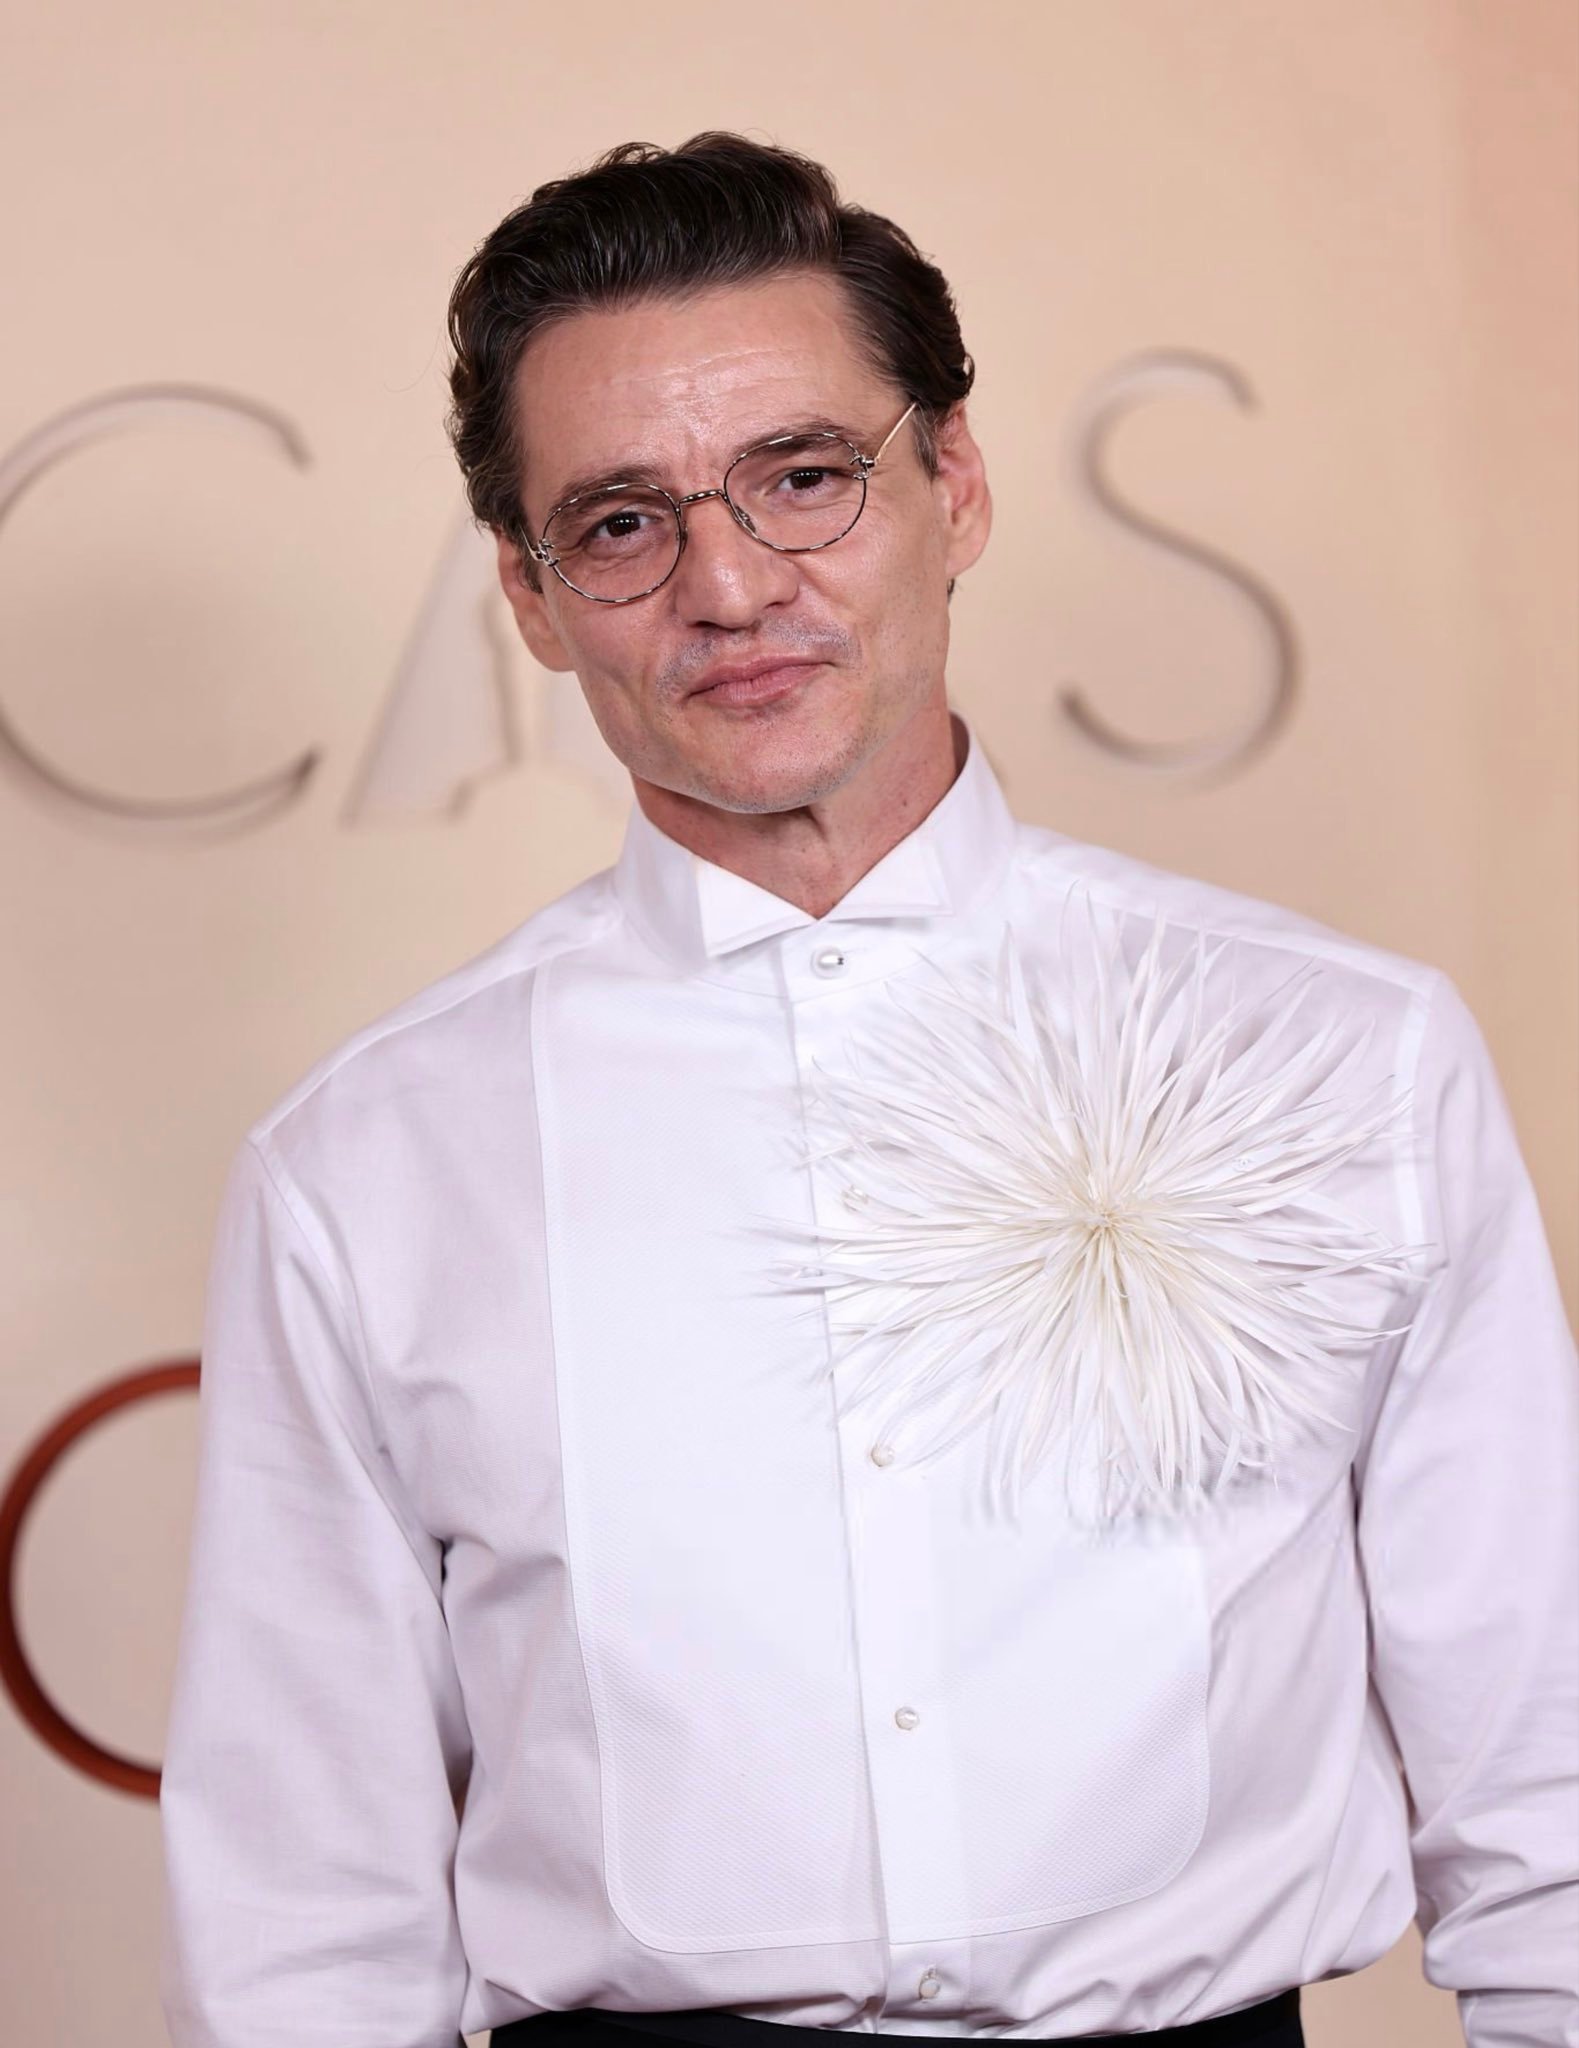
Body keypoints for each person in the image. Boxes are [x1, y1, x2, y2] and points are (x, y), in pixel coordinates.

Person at [158, 133, 1578, 2048]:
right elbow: (305, 1908)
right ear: (531, 595)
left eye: (805, 477)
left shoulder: (1345, 1050)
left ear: (954, 483)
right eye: (622, 524)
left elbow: (1547, 1765)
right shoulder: (363, 1165)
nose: (733, 585)